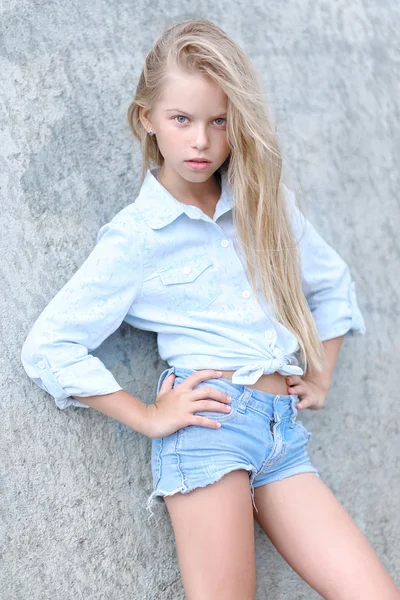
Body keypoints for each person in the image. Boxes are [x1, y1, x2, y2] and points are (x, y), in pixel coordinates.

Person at [20, 18, 399, 600]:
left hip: (282, 434)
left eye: (218, 121)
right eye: (182, 119)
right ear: (146, 119)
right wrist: (148, 415)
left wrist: (319, 370)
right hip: (210, 430)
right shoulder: (137, 236)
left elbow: (333, 286)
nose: (201, 140)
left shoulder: (265, 206)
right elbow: (49, 346)